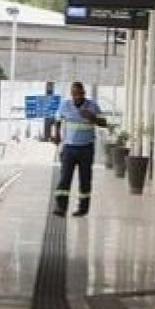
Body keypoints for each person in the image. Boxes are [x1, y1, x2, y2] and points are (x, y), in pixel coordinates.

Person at [50, 81, 107, 217]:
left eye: (80, 94)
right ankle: (61, 207)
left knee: (85, 179)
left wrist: (92, 117)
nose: (78, 97)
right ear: (72, 94)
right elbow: (57, 120)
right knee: (64, 178)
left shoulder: (92, 106)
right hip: (69, 148)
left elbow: (104, 123)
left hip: (86, 148)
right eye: (75, 94)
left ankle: (83, 208)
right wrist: (56, 134)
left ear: (84, 93)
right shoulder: (65, 105)